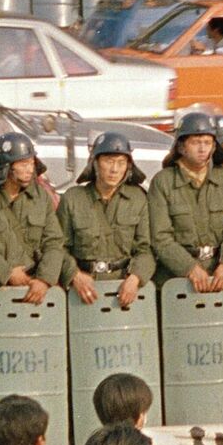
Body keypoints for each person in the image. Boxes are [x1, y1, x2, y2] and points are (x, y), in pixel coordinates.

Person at [147, 111, 223, 292]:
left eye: (207, 143)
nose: (202, 149)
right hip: (177, 279)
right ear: (181, 147)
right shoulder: (163, 182)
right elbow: (160, 237)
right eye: (195, 142)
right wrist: (189, 268)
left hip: (221, 275)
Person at [57, 132, 153, 312]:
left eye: (121, 163)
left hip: (125, 288)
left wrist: (135, 278)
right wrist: (74, 275)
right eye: (109, 161)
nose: (114, 169)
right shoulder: (73, 199)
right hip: (83, 291)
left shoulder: (137, 199)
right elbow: (58, 247)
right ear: (95, 163)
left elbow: (146, 249)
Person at [0, 132, 66, 308]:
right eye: (23, 164)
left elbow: (54, 242)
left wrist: (44, 279)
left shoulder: (41, 197)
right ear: (6, 167)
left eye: (31, 163)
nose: (30, 170)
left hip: (38, 290)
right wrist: (6, 272)